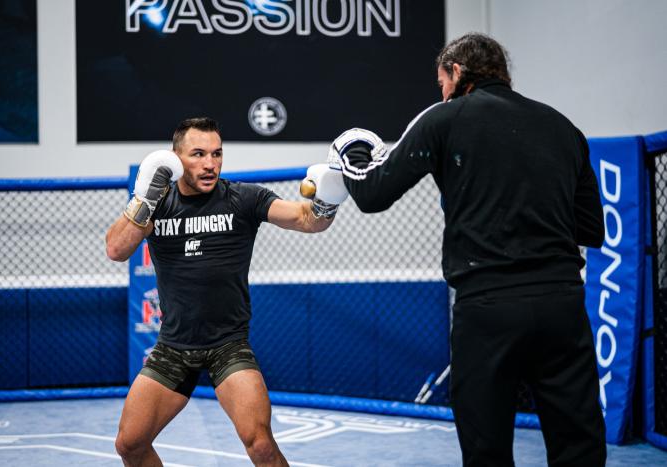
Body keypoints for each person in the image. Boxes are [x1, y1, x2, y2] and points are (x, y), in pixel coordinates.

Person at [327, 33, 607, 466]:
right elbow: (592, 229)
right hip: (562, 305)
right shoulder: (562, 126)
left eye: (441, 80)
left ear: (457, 73)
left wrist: (351, 156)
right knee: (579, 445)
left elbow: (373, 195)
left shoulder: (445, 118)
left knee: (486, 446)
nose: (440, 90)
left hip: (488, 306)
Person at [106, 117, 347, 467]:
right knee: (130, 444)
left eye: (217, 154)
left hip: (228, 346)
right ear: (175, 159)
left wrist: (329, 196)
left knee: (261, 445)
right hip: (173, 348)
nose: (210, 164)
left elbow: (308, 219)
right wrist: (143, 199)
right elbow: (116, 249)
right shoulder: (157, 206)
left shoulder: (243, 199)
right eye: (198, 154)